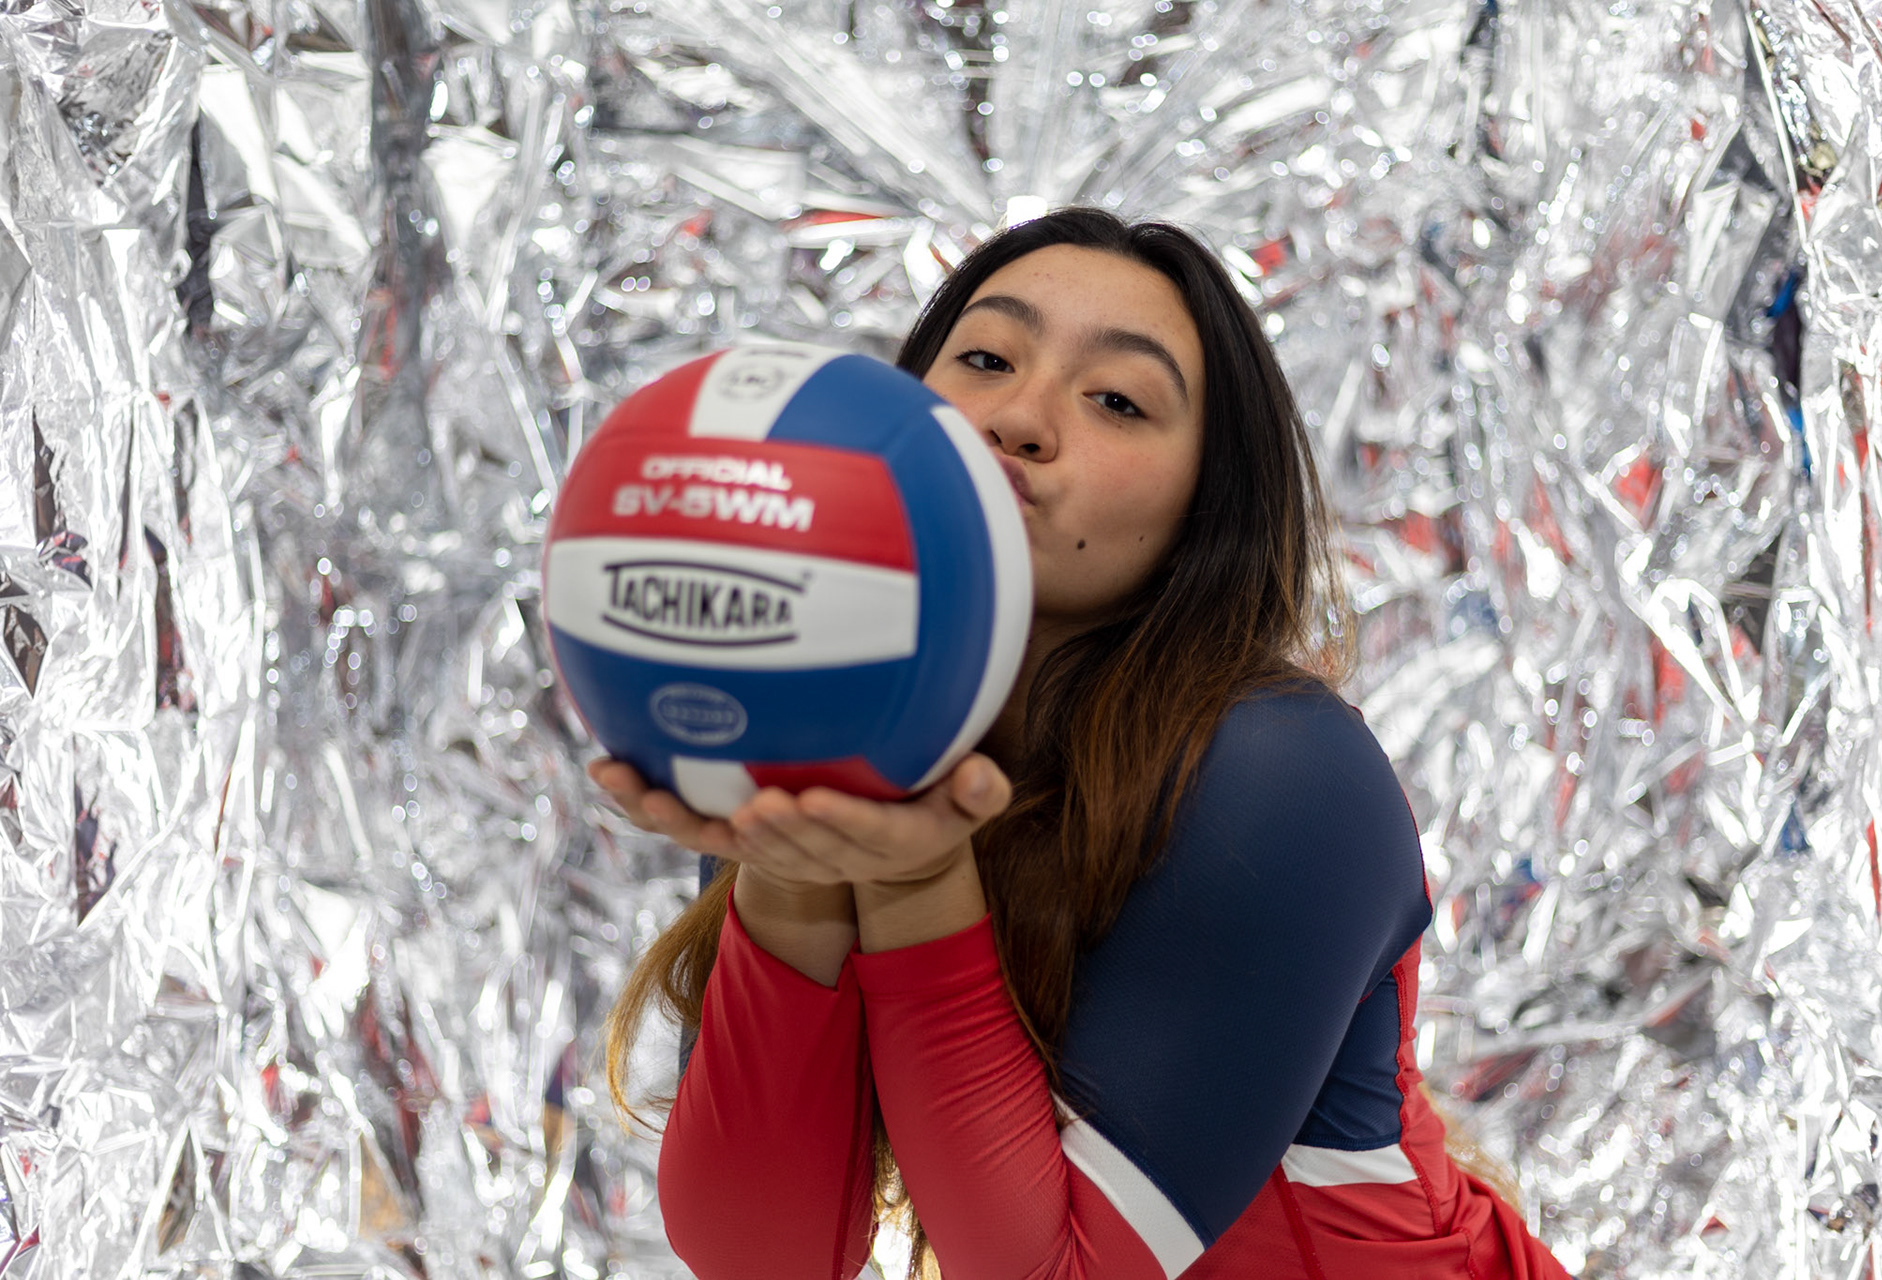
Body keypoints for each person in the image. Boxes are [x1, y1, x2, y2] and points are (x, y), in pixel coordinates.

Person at [591, 207, 1569, 1280]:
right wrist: (788, 876)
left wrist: (918, 869)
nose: (1018, 417)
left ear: (1204, 511)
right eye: (985, 357)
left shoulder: (1282, 777)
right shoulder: (814, 716)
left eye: (1117, 399)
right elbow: (762, 1255)